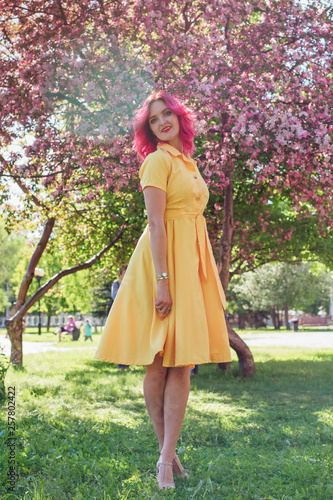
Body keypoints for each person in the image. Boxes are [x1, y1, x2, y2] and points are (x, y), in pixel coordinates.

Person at [95, 91, 231, 490]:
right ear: (148, 129)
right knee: (158, 362)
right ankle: (166, 461)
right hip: (162, 266)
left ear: (180, 118)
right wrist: (163, 281)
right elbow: (156, 224)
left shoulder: (187, 162)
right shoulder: (156, 161)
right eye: (154, 120)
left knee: (182, 362)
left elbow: (192, 218)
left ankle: (167, 457)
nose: (162, 122)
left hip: (189, 265)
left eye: (167, 114)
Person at [110, 265, 129, 370]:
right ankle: (121, 365)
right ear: (120, 275)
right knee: (120, 340)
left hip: (128, 315)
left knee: (127, 339)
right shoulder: (116, 285)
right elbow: (115, 296)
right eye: (125, 273)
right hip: (118, 315)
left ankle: (127, 364)